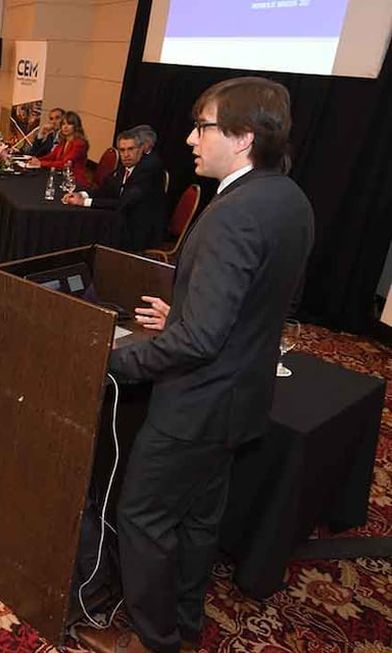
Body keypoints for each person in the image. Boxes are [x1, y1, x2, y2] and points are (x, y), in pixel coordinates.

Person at [73, 77, 315, 653]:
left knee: (143, 518)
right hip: (243, 398)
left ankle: (154, 640)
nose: (189, 138)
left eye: (203, 126)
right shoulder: (288, 198)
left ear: (243, 136)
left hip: (197, 404)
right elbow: (261, 302)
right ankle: (184, 620)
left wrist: (107, 360)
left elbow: (202, 341)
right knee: (200, 518)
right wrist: (183, 310)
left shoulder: (233, 213)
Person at [62, 127, 166, 251]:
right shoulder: (124, 167)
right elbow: (105, 190)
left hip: (139, 228)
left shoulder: (147, 170)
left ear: (141, 149)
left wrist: (84, 202)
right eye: (122, 150)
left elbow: (124, 202)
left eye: (130, 149)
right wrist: (81, 195)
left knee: (89, 229)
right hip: (121, 219)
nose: (126, 155)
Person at [31, 110, 89, 187]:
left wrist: (41, 163)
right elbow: (51, 156)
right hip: (61, 177)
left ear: (76, 126)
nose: (65, 127)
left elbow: (65, 164)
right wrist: (37, 160)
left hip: (75, 182)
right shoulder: (64, 141)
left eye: (69, 124)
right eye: (63, 124)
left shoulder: (79, 144)